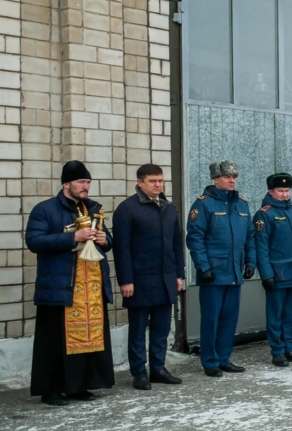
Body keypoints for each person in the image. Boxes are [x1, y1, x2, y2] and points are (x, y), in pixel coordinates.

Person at [25, 161, 115, 406]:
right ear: (66, 184)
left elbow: (107, 243)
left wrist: (105, 239)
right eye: (80, 182)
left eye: (87, 182)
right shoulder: (45, 210)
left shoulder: (93, 209)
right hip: (61, 286)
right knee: (55, 341)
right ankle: (51, 390)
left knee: (89, 337)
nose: (86, 187)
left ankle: (79, 386)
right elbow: (34, 241)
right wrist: (72, 237)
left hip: (91, 286)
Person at [112, 163, 185, 390]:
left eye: (161, 181)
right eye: (152, 181)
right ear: (140, 183)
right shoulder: (127, 209)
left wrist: (179, 275)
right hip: (140, 280)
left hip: (165, 279)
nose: (158, 185)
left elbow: (176, 244)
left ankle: (158, 368)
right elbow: (121, 249)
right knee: (138, 328)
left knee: (161, 328)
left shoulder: (168, 207)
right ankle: (139, 372)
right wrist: (126, 280)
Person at [185, 160, 255, 378]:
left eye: (234, 177)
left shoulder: (242, 204)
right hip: (213, 272)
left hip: (234, 271)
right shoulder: (203, 205)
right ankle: (210, 361)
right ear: (215, 179)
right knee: (211, 318)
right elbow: (195, 238)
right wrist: (203, 266)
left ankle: (224, 358)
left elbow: (250, 236)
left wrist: (251, 262)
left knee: (229, 318)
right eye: (226, 177)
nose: (231, 181)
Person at [254, 173, 292, 367]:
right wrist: (266, 274)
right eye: (280, 191)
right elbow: (261, 247)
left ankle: (289, 348)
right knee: (275, 314)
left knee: (289, 314)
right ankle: (277, 351)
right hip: (277, 274)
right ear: (270, 191)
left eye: (287, 191)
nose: (285, 195)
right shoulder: (265, 214)